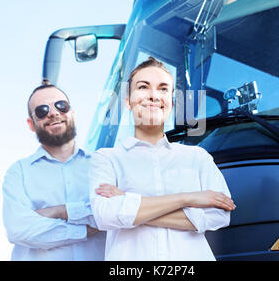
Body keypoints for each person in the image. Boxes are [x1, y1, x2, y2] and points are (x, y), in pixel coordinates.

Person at [89, 57, 236, 261]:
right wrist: (188, 198)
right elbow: (105, 215)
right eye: (143, 87)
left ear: (172, 103)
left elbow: (220, 215)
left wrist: (128, 201)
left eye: (163, 89)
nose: (154, 96)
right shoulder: (107, 158)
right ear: (127, 101)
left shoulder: (198, 158)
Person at [2, 84, 105, 260]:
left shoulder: (103, 164)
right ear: (31, 124)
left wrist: (60, 211)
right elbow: (19, 229)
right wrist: (85, 229)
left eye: (61, 105)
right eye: (42, 110)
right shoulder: (18, 173)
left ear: (72, 113)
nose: (53, 113)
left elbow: (116, 213)